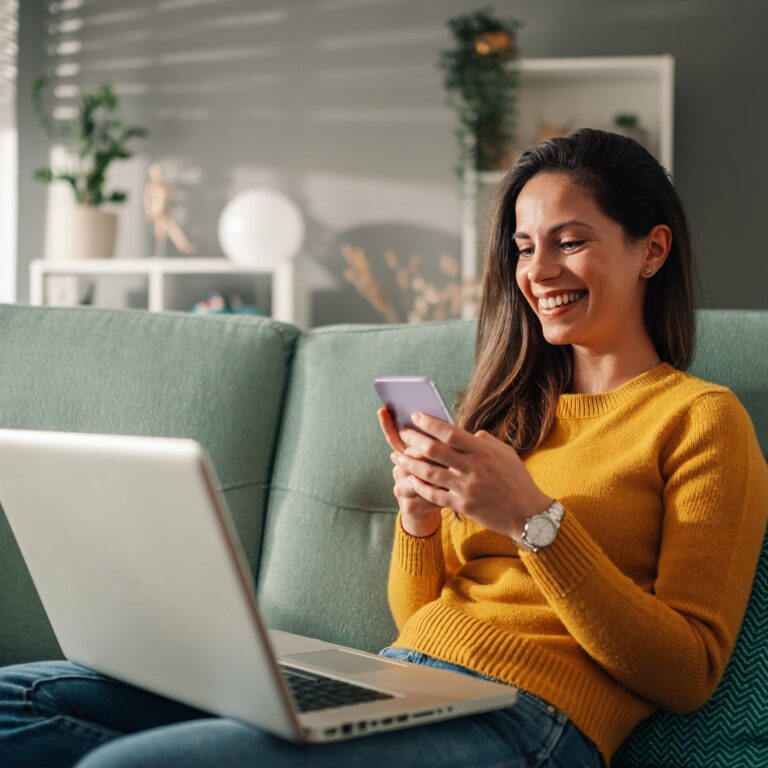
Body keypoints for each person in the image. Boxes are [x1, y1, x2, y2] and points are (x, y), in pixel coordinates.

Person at [0, 128, 766, 768]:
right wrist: (418, 522)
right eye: (525, 247)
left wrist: (536, 521)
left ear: (652, 249)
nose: (538, 273)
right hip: (405, 678)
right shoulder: (504, 415)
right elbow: (419, 618)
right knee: (19, 701)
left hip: (534, 720)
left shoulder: (699, 418)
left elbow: (688, 671)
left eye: (570, 242)